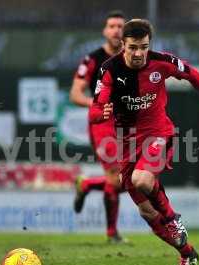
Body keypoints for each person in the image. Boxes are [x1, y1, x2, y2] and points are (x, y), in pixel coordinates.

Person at [89, 19, 199, 265]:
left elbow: (195, 76)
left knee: (143, 180)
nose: (138, 53)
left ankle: (172, 218)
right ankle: (187, 253)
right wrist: (102, 113)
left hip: (159, 134)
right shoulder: (109, 69)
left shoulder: (162, 62)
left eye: (143, 47)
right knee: (146, 211)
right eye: (133, 47)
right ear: (122, 45)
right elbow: (95, 110)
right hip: (127, 145)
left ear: (149, 45)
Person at [70, 11, 126, 243]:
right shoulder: (92, 59)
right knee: (115, 177)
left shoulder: (131, 58)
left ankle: (87, 184)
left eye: (120, 26)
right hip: (102, 123)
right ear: (105, 31)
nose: (115, 30)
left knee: (130, 179)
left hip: (126, 124)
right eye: (111, 26)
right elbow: (75, 93)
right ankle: (112, 233)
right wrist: (97, 104)